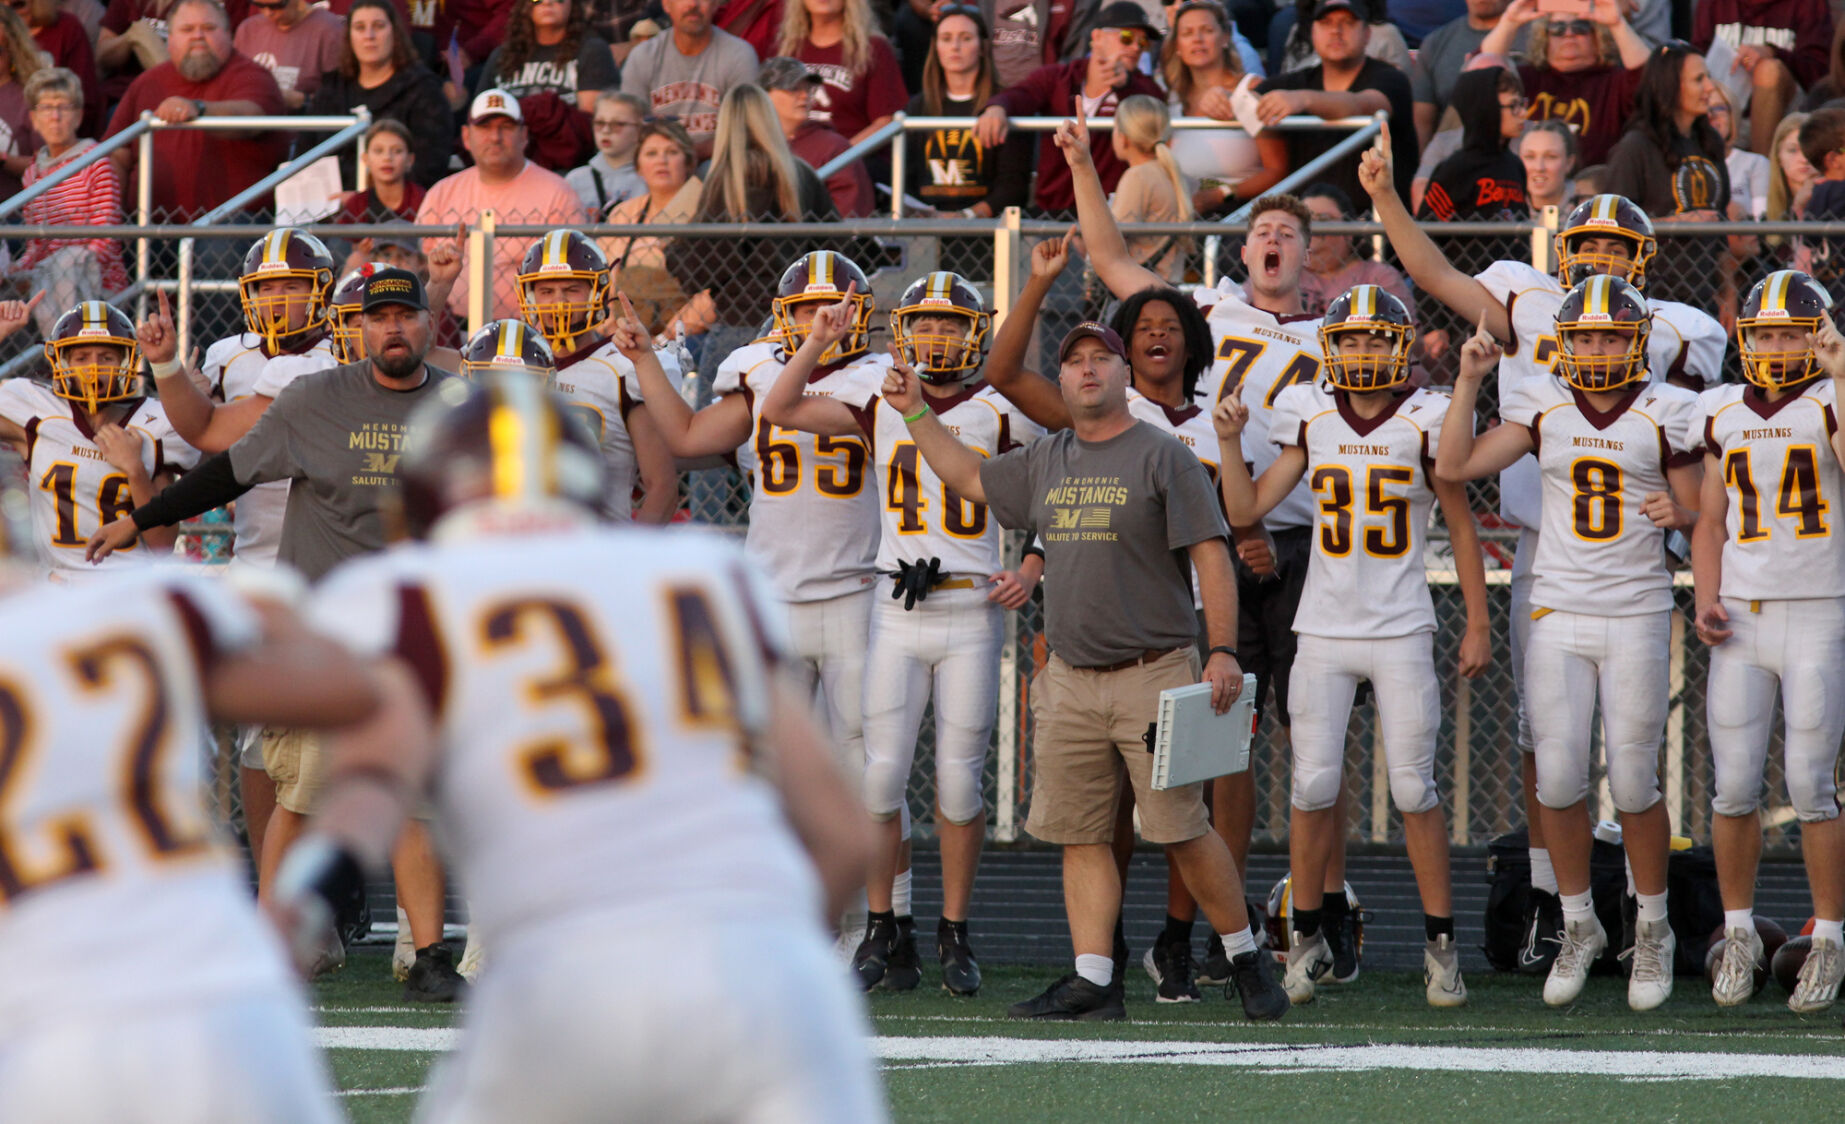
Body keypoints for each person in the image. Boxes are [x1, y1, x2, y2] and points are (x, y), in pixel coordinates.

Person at [269, 375, 887, 1123]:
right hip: (770, 986)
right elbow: (846, 836)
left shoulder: (408, 595)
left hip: (570, 988)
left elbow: (363, 797)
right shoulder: (702, 577)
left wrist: (292, 912)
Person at [1357, 123, 1726, 971]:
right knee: (1542, 734)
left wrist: (1693, 506)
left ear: (1638, 258)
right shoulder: (1524, 300)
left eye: (1612, 247)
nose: (1595, 260)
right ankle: (1548, 902)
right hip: (1544, 543)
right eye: (1584, 244)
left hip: (1636, 556)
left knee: (1633, 749)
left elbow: (1710, 434)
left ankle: (1645, 916)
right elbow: (1434, 273)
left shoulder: (1677, 328)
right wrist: (1382, 199)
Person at [886, 314, 1291, 1022]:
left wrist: (1221, 649)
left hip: (1153, 668)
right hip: (1070, 674)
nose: (1085, 369)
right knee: (1082, 832)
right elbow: (965, 475)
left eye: (1100, 358)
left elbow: (1210, 558)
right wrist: (915, 409)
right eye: (1073, 360)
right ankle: (1094, 979)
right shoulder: (1046, 456)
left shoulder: (1162, 454)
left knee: (1180, 828)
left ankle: (1245, 956)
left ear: (1124, 375)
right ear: (1064, 379)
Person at [86, 267, 468, 1003]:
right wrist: (140, 518)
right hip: (322, 635)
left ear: (428, 325)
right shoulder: (314, 399)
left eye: (405, 316)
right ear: (356, 328)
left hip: (414, 632)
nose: (392, 328)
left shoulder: (458, 408)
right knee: (299, 796)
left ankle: (429, 956)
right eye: (377, 316)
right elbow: (227, 471)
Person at [1057, 104, 1361, 987]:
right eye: (1259, 227)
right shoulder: (1210, 314)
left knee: (1310, 748)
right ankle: (1186, 933)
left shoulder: (1334, 335)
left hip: (1302, 549)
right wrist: (1082, 164)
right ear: (1241, 250)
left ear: (1312, 256)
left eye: (1287, 232)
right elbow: (1111, 259)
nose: (1271, 239)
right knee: (1201, 751)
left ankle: (1318, 914)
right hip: (1209, 547)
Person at [0, 535, 388, 1123]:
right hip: (227, 994)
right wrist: (274, 603)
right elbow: (352, 691)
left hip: (55, 1023)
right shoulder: (142, 605)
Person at [758, 272, 1043, 998]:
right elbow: (780, 406)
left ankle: (954, 929)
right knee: (880, 780)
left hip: (970, 610)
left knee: (956, 782)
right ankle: (888, 926)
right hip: (896, 607)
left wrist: (1035, 563)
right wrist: (817, 339)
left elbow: (1056, 495)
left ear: (975, 332)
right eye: (926, 323)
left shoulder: (1002, 409)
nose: (938, 337)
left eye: (952, 324)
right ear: (901, 331)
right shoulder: (872, 399)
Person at [1212, 284, 1490, 1008]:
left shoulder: (1425, 416)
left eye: (1375, 339)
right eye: (1352, 339)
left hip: (1400, 624)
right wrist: (1224, 440)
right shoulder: (1308, 414)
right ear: (1330, 349)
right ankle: (1304, 936)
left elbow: (1458, 521)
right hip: (1324, 628)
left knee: (1411, 787)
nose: (1363, 352)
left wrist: (1477, 619)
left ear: (1398, 350)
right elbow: (1244, 510)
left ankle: (1440, 945)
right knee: (1311, 785)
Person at [1436, 275, 1702, 1012]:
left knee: (1633, 777)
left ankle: (1651, 925)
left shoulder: (1665, 409)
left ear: (1635, 340)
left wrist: (1678, 512)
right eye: (1583, 336)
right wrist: (1466, 382)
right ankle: (1578, 922)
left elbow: (1706, 510)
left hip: (1636, 607)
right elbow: (1455, 465)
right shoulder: (1543, 405)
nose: (1595, 347)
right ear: (1566, 341)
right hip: (1557, 606)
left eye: (1610, 336)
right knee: (1555, 777)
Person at [627, 250, 890, 948]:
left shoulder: (877, 379)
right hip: (774, 596)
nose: (821, 319)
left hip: (856, 589)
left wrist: (809, 347)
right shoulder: (754, 367)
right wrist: (644, 360)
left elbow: (794, 402)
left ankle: (877, 926)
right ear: (784, 314)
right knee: (771, 770)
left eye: (831, 306)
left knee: (865, 766)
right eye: (806, 309)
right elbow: (683, 439)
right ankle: (789, 917)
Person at [1693, 270, 1845, 1014]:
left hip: (1818, 606)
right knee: (1731, 785)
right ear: (1744, 339)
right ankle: (1738, 932)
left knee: (1811, 784)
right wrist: (1703, 595)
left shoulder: (1829, 397)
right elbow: (1709, 519)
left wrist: (1842, 378)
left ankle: (1830, 939)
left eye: (1792, 331)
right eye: (1766, 333)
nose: (1778, 346)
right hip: (1742, 614)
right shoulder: (1721, 408)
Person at [665, 83, 843, 403]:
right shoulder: (800, 174)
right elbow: (837, 251)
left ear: (727, 123)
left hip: (737, 325)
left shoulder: (724, 180)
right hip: (801, 325)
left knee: (716, 436)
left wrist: (673, 253)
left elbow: (698, 269)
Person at [0, 298, 194, 578]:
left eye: (106, 357)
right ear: (62, 361)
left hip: (128, 587)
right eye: (81, 358)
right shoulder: (37, 409)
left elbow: (162, 543)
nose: (94, 367)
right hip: (60, 585)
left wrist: (135, 471)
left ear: (124, 361)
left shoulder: (154, 422)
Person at [513, 230, 681, 525]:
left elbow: (662, 489)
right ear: (529, 295)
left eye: (571, 290)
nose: (559, 303)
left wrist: (625, 562)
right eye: (546, 291)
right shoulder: (511, 361)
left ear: (598, 293)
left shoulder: (624, 366)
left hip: (598, 548)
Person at [103, 0, 287, 221]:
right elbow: (117, 156)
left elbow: (249, 116)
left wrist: (198, 109)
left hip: (231, 226)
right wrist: (113, 221)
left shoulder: (253, 76)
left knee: (217, 244)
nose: (197, 36)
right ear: (169, 39)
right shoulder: (147, 82)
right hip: (149, 228)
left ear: (229, 34)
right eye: (187, 29)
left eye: (209, 28)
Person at [974, 1, 1164, 215]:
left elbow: (1155, 109)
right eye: (1127, 38)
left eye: (1144, 43)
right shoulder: (1059, 77)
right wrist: (996, 108)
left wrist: (1126, 87)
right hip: (1055, 213)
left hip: (1112, 216)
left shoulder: (1144, 88)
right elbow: (1021, 94)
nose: (1136, 47)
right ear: (1097, 37)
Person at [416, 88, 586, 324]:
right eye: (484, 127)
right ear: (466, 136)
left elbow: (573, 277)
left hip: (530, 331)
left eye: (505, 127)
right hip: (450, 329)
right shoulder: (442, 193)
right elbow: (418, 264)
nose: (495, 137)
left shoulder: (558, 193)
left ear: (524, 135)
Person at [1603, 42, 1731, 313]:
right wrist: (1678, 223)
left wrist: (1727, 290)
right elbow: (1613, 223)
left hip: (1704, 294)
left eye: (1708, 77)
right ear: (1669, 86)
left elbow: (1722, 231)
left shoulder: (1710, 143)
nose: (1710, 87)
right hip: (1651, 297)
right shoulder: (1635, 146)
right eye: (1699, 79)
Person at [905, 4, 1030, 277]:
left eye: (966, 38)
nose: (955, 47)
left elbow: (1013, 186)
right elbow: (909, 177)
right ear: (935, 47)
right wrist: (929, 216)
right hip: (927, 235)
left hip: (986, 235)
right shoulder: (918, 107)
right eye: (946, 39)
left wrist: (967, 217)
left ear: (983, 46)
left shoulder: (1001, 104)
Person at [1253, 0, 1417, 208]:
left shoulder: (1391, 78)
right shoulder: (1294, 82)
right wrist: (1221, 96)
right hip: (1302, 228)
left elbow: (1363, 104)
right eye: (1326, 22)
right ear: (1313, 32)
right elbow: (1246, 101)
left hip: (1373, 226)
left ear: (1367, 34)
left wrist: (1304, 100)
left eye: (1347, 22)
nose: (1336, 31)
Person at [9, 69, 128, 338]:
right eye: (46, 108)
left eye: (64, 107)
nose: (55, 116)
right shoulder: (33, 172)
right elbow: (36, 245)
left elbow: (105, 237)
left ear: (79, 115)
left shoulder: (95, 161)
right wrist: (17, 271)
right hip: (47, 278)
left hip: (93, 280)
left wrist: (60, 268)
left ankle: (60, 357)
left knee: (65, 266)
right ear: (34, 119)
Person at [303, 0, 452, 190]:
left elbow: (429, 167)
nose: (369, 36)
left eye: (379, 26)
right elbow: (305, 153)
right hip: (327, 210)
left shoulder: (423, 90)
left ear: (395, 34)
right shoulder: (331, 88)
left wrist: (364, 201)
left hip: (395, 214)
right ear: (349, 36)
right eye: (360, 27)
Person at [1483, 0, 1651, 166]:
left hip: (1595, 182)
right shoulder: (1526, 77)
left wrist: (1617, 24)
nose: (1569, 34)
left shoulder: (1615, 81)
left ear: (1597, 34)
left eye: (1581, 27)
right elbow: (1481, 73)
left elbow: (1651, 80)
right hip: (1529, 178)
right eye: (1557, 29)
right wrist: (1510, 21)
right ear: (1545, 36)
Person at [1165, 0, 1285, 214]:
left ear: (1226, 37)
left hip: (1242, 216)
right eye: (1187, 33)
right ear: (1177, 48)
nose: (1197, 39)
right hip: (1184, 217)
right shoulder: (1172, 99)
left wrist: (1221, 194)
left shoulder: (1251, 88)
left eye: (1207, 30)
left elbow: (1277, 170)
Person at [601, 117, 704, 337]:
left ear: (687, 161)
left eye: (672, 152)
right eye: (651, 154)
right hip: (625, 332)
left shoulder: (706, 210)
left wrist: (666, 338)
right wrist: (610, 327)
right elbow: (604, 280)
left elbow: (707, 293)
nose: (662, 161)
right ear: (638, 167)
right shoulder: (624, 213)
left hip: (686, 336)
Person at [621, 0, 760, 157]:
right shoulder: (643, 57)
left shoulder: (739, 55)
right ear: (666, 4)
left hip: (717, 162)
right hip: (654, 161)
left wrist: (688, 155)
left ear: (715, 4)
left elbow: (744, 131)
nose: (693, 4)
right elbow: (629, 127)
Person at [1691, 0, 1829, 157]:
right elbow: (1697, 54)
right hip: (1724, 105)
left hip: (1784, 112)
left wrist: (1773, 52)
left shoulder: (1808, 4)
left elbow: (1819, 74)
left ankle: (1762, 170)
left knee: (1768, 70)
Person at [760, 55, 874, 218]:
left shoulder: (833, 147)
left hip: (819, 242)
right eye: (792, 88)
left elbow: (849, 217)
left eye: (807, 88)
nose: (805, 96)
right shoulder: (747, 142)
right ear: (763, 95)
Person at [1412, 0, 1525, 149]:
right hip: (1454, 150)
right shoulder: (1436, 43)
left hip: (1524, 150)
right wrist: (1426, 166)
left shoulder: (1540, 35)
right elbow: (1422, 123)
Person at [1106, 93, 1191, 285]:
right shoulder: (1169, 171)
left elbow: (1112, 239)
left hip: (1139, 285)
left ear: (1124, 138)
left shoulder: (1137, 176)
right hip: (1165, 282)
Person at [1298, 182, 1411, 318]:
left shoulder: (1379, 277)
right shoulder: (1287, 274)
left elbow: (1405, 331)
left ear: (1349, 231)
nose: (1313, 228)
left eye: (1323, 220)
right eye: (1306, 220)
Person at [477, 0, 616, 111]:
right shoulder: (501, 55)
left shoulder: (593, 51)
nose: (547, 2)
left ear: (573, 4)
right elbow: (480, 113)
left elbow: (589, 121)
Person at [233, 0, 345, 108]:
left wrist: (302, 100)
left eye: (277, 6)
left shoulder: (329, 29)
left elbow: (341, 95)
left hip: (303, 120)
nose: (268, 13)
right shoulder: (249, 29)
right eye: (259, 5)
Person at [19, 0, 99, 137]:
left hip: (59, 133)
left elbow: (85, 98)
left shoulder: (67, 27)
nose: (7, 13)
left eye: (17, 4)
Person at [566, 88, 647, 215]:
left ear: (640, 130)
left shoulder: (648, 179)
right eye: (599, 123)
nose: (606, 130)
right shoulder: (575, 180)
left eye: (617, 124)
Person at [334, 117, 426, 222]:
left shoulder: (424, 201)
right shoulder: (356, 205)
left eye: (397, 151)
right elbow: (343, 238)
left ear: (410, 159)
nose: (387, 157)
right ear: (365, 158)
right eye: (378, 151)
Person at [0, 7, 44, 197]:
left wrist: (3, 160)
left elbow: (48, 165)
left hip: (16, 216)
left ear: (13, 49)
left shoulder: (31, 96)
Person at [1712, 85, 1770, 219]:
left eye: (1719, 108)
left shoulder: (1756, 163)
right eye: (1706, 109)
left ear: (1732, 114)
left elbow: (1761, 218)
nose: (1712, 115)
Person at [1519, 117, 1579, 213]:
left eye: (1551, 157)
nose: (1539, 167)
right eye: (1530, 156)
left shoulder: (1586, 211)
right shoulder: (1507, 207)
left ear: (1569, 163)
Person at [1766, 110, 1813, 219]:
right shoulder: (1764, 205)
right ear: (1779, 157)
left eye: (1810, 149)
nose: (1804, 159)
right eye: (1793, 150)